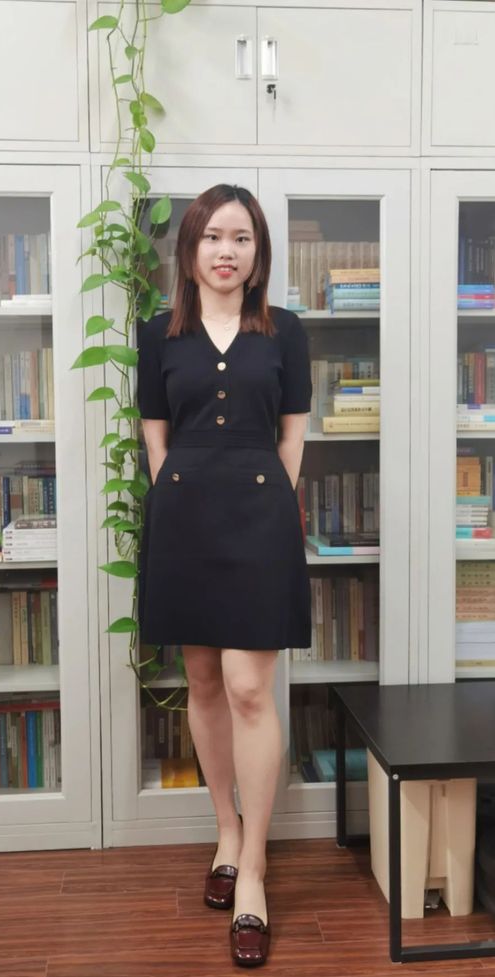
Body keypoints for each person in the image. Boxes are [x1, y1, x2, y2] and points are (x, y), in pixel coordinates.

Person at [136, 184, 312, 967]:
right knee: (202, 681)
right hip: (183, 520)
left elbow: (293, 434)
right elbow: (155, 437)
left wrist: (268, 504)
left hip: (258, 520)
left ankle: (256, 871)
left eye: (240, 237)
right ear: (189, 249)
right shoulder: (157, 334)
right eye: (211, 236)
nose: (225, 250)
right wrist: (177, 501)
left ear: (257, 253)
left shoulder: (286, 331)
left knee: (248, 687)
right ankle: (226, 833)